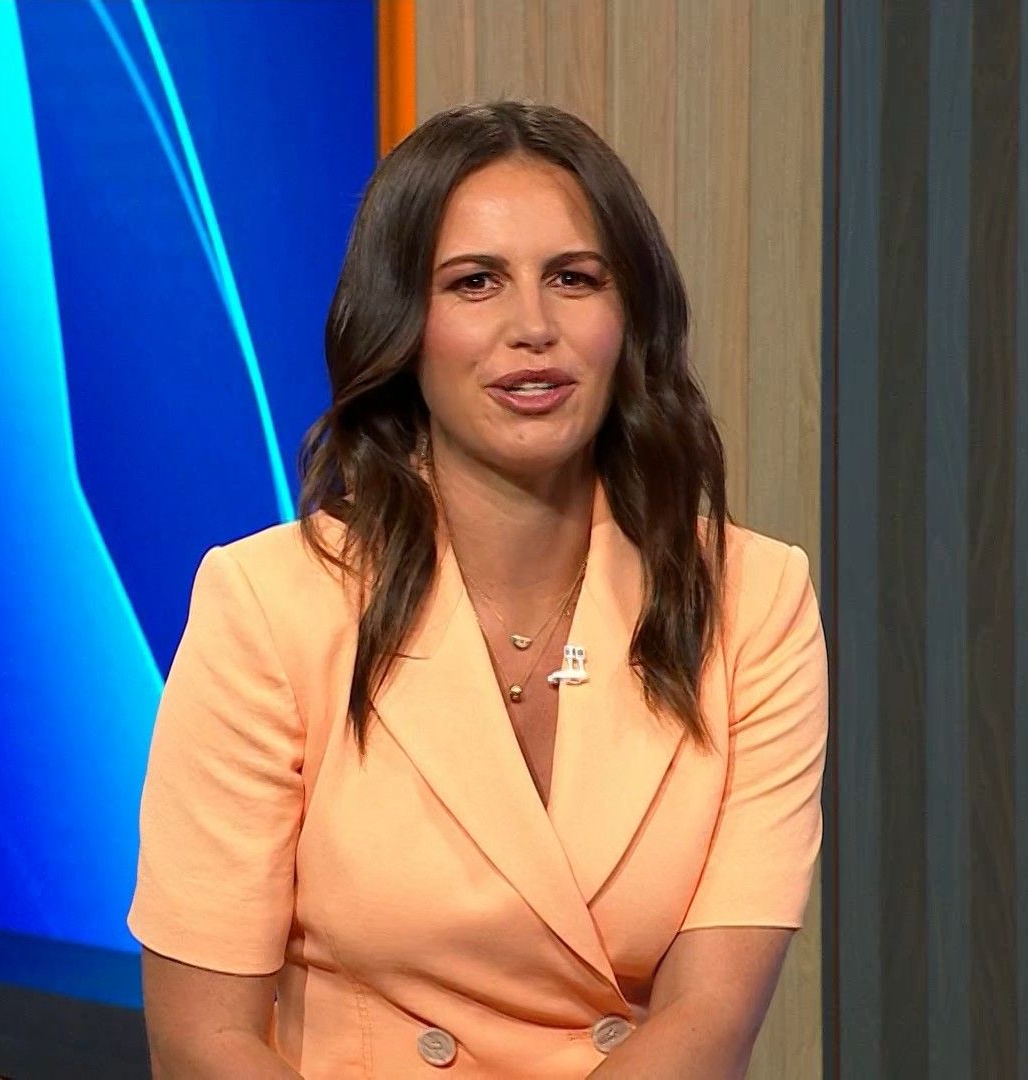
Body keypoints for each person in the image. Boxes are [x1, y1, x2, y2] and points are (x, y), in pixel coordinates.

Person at [127, 100, 828, 1079]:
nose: (532, 328)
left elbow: (708, 1018)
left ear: (628, 318)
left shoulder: (755, 603)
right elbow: (203, 1040)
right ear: (404, 326)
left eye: (574, 279)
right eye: (474, 283)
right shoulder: (268, 605)